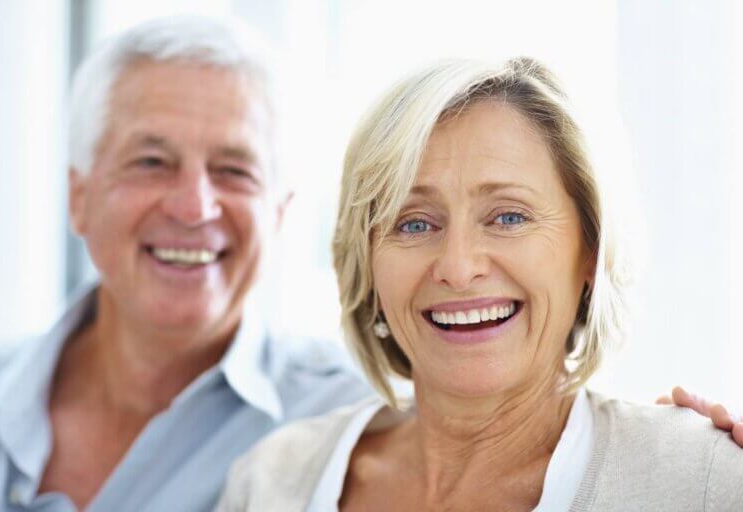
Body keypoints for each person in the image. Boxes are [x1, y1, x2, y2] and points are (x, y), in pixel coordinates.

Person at [217, 57, 743, 511]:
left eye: (508, 217)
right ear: (369, 265)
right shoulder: (269, 481)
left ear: (591, 250)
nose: (459, 267)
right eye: (414, 223)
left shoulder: (697, 481)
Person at [0, 17, 371, 512]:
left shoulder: (351, 429)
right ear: (80, 198)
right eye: (151, 162)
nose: (193, 207)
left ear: (278, 213)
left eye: (233, 170)